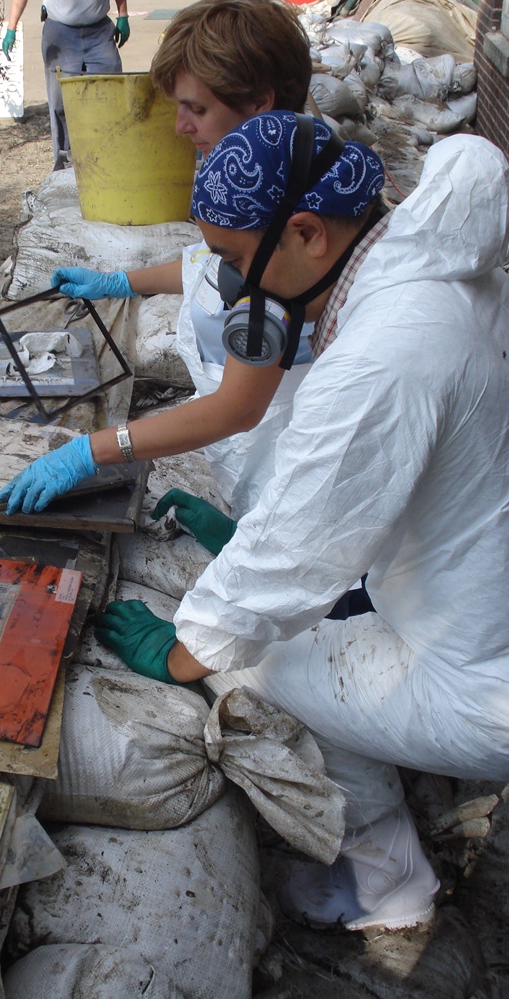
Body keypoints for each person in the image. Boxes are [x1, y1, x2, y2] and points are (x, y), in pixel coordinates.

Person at [94, 111, 509, 932]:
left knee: (258, 663)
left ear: (309, 234)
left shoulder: (382, 352)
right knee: (308, 625)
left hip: (484, 680)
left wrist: (184, 653)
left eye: (237, 264)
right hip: (479, 594)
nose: (234, 291)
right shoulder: (437, 266)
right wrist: (247, 543)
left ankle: (387, 884)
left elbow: (293, 557)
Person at [0, 0, 316, 518]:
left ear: (259, 102)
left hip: (299, 486)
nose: (180, 127)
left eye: (197, 108)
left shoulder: (293, 229)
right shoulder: (266, 191)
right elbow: (213, 268)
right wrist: (119, 282)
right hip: (263, 470)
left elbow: (238, 405)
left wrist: (92, 450)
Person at [2, 0, 130, 170]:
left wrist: (123, 15)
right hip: (61, 34)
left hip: (99, 32)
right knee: (61, 103)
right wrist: (11, 27)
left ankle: (108, 160)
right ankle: (65, 165)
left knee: (110, 93)